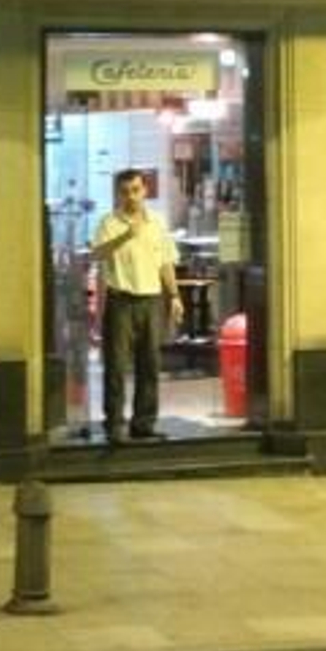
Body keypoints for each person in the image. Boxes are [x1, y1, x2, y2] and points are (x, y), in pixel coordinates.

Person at [91, 167, 182, 444]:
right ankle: (114, 424)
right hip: (121, 300)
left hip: (152, 299)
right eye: (125, 191)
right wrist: (127, 235)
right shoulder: (109, 222)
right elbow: (98, 253)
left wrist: (175, 296)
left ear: (145, 191)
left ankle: (144, 423)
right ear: (118, 194)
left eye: (136, 190)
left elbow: (165, 261)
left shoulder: (157, 223)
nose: (131, 196)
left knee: (150, 364)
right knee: (116, 365)